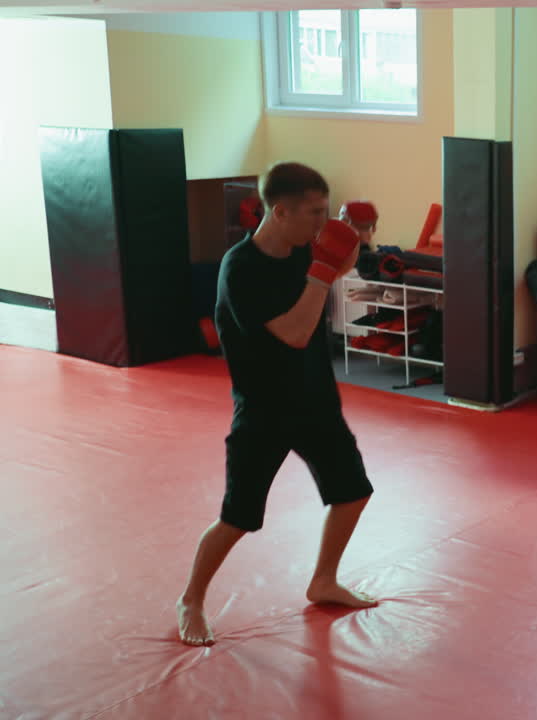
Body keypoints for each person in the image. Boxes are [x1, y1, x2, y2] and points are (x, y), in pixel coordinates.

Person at [177, 162, 377, 646]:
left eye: (325, 212)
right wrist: (325, 272)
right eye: (313, 213)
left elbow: (340, 263)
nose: (319, 223)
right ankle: (191, 600)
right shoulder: (241, 269)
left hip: (315, 402)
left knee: (353, 490)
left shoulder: (306, 250)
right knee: (239, 517)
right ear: (279, 211)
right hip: (264, 410)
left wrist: (356, 242)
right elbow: (293, 332)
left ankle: (323, 581)